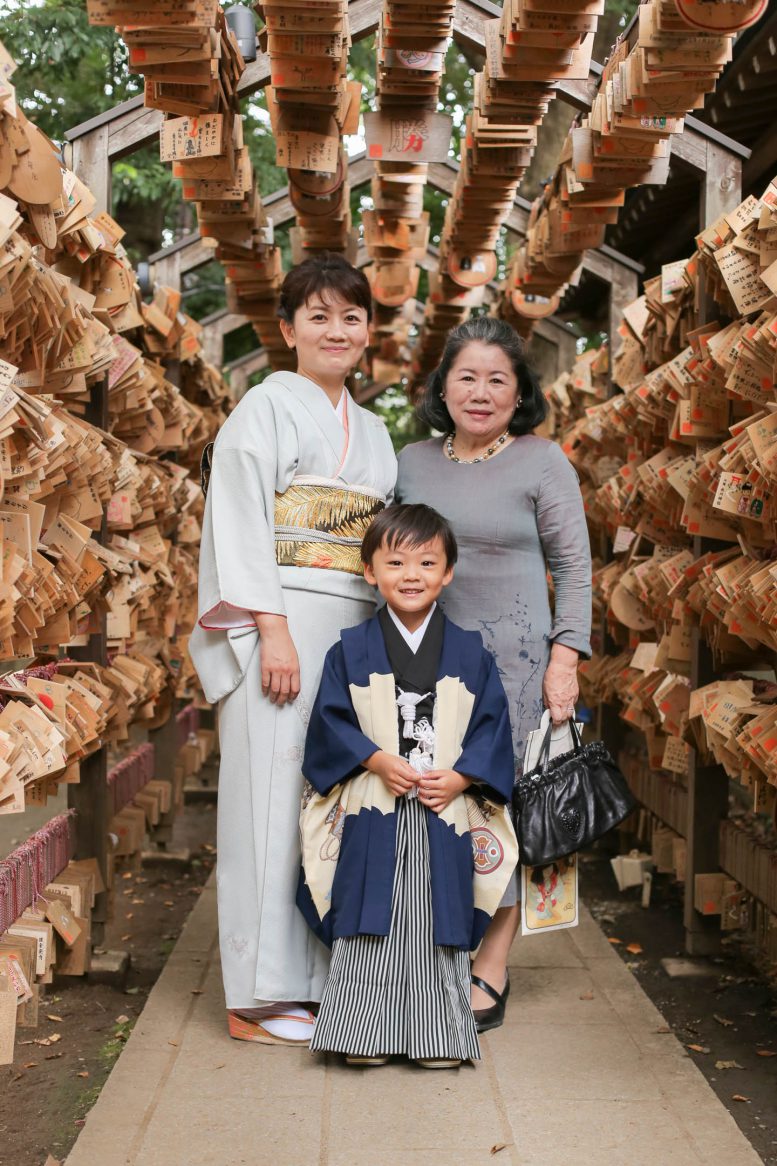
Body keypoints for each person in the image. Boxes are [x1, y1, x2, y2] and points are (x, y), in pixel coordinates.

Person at [189, 253, 397, 1045]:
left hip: (349, 623)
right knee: (268, 802)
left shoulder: (374, 432)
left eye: (350, 316)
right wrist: (269, 627)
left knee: (331, 803)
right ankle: (254, 994)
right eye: (318, 316)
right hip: (281, 624)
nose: (336, 330)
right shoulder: (262, 411)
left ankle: (314, 980)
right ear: (286, 330)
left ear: (368, 330)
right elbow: (238, 519)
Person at [394, 317, 592, 1033]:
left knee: (506, 813)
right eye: (467, 376)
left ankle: (491, 966)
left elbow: (572, 567)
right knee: (432, 805)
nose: (480, 392)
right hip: (426, 662)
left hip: (519, 667)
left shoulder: (543, 461)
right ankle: (429, 947)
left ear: (519, 392)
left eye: (497, 379)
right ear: (443, 386)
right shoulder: (411, 462)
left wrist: (565, 661)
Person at [297, 504, 518, 1068]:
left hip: (443, 806)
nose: (411, 574)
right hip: (375, 804)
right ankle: (361, 1034)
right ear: (369, 571)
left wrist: (464, 775)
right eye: (394, 562)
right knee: (367, 916)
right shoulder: (351, 647)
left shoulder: (470, 651)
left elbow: (493, 724)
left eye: (427, 562)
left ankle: (437, 1037)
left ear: (448, 573)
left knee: (439, 920)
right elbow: (330, 721)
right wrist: (373, 759)